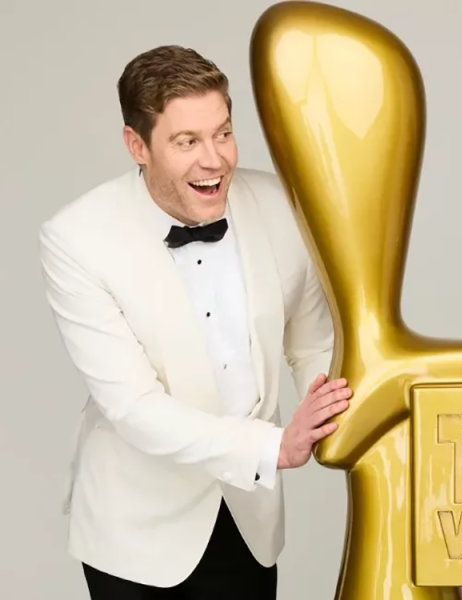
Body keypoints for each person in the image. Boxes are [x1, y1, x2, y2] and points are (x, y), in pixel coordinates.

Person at [38, 45, 350, 599]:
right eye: (187, 142)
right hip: (136, 531)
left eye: (223, 133)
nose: (215, 160)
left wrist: (338, 420)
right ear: (138, 145)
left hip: (249, 519)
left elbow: (313, 341)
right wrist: (273, 447)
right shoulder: (77, 239)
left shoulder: (282, 205)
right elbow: (133, 406)